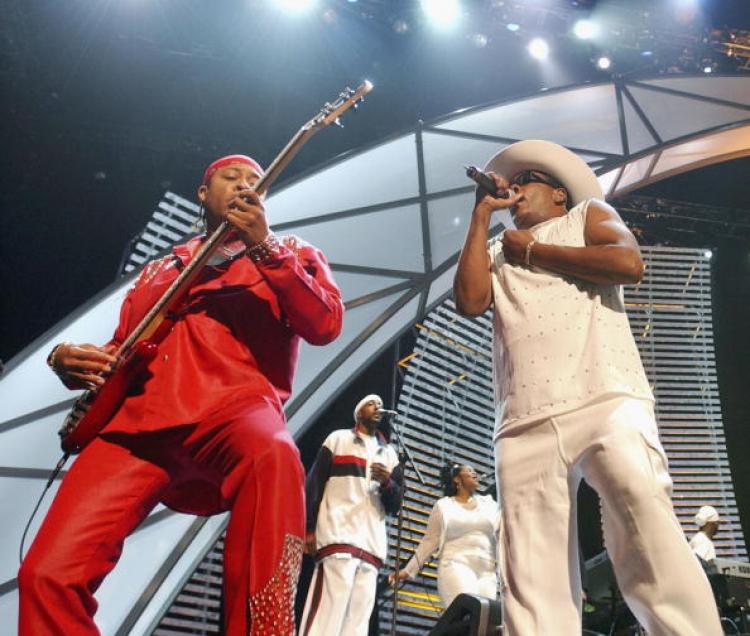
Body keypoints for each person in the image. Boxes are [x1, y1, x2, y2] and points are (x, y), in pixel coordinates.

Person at [18, 154, 344, 636]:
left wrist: (265, 247)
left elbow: (325, 324)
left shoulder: (289, 249)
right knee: (47, 573)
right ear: (202, 192)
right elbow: (122, 347)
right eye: (230, 177)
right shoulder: (160, 269)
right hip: (137, 423)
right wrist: (65, 359)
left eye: (255, 181)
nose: (243, 185)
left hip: (234, 408)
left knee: (274, 455)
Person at [453, 139, 722, 635]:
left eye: (527, 179)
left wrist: (533, 250)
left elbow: (628, 263)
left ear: (559, 194)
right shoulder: (495, 248)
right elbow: (470, 302)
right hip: (523, 419)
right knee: (531, 575)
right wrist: (480, 218)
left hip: (606, 393)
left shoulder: (587, 216)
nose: (514, 188)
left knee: (644, 518)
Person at [299, 394, 403, 636]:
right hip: (338, 535)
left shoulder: (390, 455)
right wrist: (309, 529)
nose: (378, 407)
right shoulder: (338, 439)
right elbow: (314, 485)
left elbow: (395, 505)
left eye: (380, 404)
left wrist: (387, 482)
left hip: (371, 546)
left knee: (358, 623)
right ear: (358, 412)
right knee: (328, 614)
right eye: (371, 403)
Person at [390, 463, 499, 607]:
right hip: (457, 565)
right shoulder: (444, 506)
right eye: (469, 471)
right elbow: (429, 542)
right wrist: (407, 571)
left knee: (485, 624)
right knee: (466, 617)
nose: (475, 473)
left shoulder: (490, 504)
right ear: (457, 479)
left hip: (487, 572)